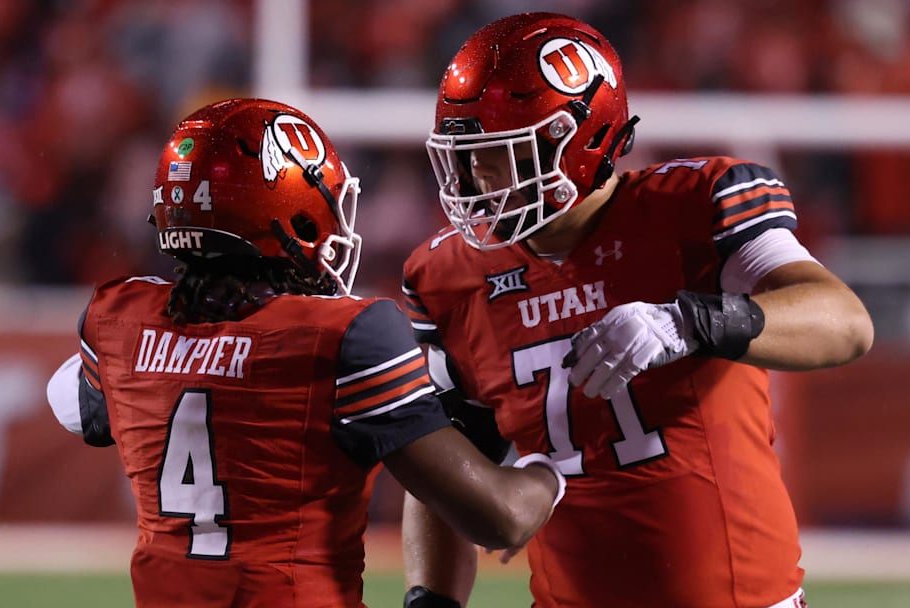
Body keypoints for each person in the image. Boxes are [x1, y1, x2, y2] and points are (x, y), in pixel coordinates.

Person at [400, 12, 874, 608]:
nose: (471, 177)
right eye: (463, 153)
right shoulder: (448, 275)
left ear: (574, 141)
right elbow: (445, 468)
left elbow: (846, 322)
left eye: (494, 152)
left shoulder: (696, 205)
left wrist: (690, 322)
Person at [44, 98, 566, 608]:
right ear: (288, 211)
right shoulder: (346, 334)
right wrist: (552, 465)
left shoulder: (116, 318)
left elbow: (82, 412)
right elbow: (499, 518)